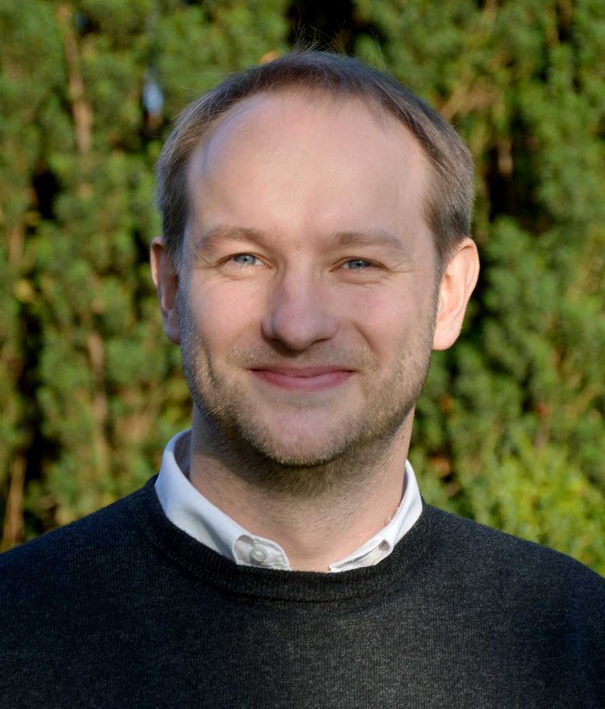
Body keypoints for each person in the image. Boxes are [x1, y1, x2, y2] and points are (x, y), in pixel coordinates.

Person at [1, 51, 603, 708]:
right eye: (245, 258)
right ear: (170, 288)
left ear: (448, 294)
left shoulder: (576, 644)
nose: (296, 323)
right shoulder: (18, 634)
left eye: (357, 263)